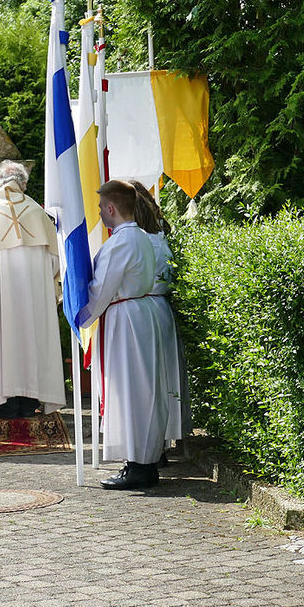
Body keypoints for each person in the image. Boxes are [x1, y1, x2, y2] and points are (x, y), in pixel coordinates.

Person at [78, 179, 167, 490]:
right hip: (138, 314)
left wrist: (81, 315)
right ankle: (143, 461)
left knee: (130, 391)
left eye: (102, 208)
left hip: (126, 319)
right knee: (143, 390)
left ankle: (138, 465)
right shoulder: (142, 237)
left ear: (112, 208)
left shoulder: (119, 243)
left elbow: (101, 291)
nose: (100, 214)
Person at [0, 160, 64, 418]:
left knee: (3, 342)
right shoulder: (37, 212)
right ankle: (29, 400)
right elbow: (55, 262)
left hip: (0, 299)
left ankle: (4, 402)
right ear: (23, 184)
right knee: (32, 340)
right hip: (34, 299)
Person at [129, 180, 189, 451]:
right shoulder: (161, 235)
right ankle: (161, 442)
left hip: (142, 308)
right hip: (161, 307)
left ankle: (150, 447)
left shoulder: (135, 241)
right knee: (162, 378)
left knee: (146, 382)